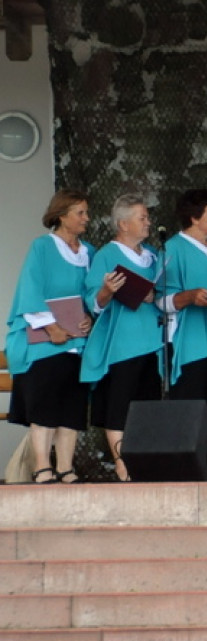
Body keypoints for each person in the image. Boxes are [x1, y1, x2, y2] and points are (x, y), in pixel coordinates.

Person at [5, 190, 94, 483]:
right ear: (62, 215)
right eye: (80, 212)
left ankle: (65, 467)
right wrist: (52, 327)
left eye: (86, 212)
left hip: (77, 344)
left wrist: (92, 317)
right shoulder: (42, 247)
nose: (86, 218)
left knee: (71, 408)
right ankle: (42, 466)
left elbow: (91, 293)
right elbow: (31, 289)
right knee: (44, 407)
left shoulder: (89, 252)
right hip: (45, 343)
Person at [81, 194, 163, 482]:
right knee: (119, 403)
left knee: (148, 404)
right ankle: (122, 464)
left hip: (152, 340)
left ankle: (146, 461)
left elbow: (160, 293)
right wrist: (107, 290)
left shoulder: (153, 255)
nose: (148, 223)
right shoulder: (106, 255)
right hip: (121, 343)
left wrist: (154, 294)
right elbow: (93, 301)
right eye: (142, 218)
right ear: (123, 223)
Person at [163, 189, 207, 426]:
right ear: (194, 218)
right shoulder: (173, 248)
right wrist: (190, 296)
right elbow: (160, 300)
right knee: (189, 412)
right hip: (189, 341)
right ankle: (186, 463)